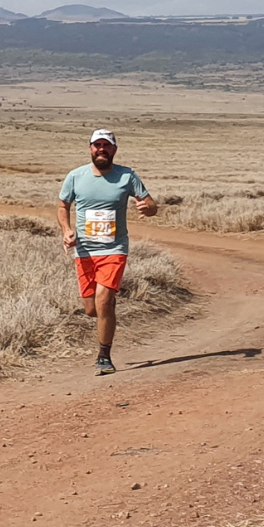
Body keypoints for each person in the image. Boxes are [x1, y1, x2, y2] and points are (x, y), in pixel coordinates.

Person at [56, 129, 157, 375]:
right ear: (90, 148)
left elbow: (151, 204)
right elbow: (63, 205)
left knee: (102, 301)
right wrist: (66, 230)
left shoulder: (127, 176)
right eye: (97, 145)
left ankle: (104, 357)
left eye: (106, 145)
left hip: (114, 248)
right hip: (85, 251)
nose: (101, 149)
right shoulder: (75, 176)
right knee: (92, 309)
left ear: (114, 149)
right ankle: (108, 307)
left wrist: (148, 208)